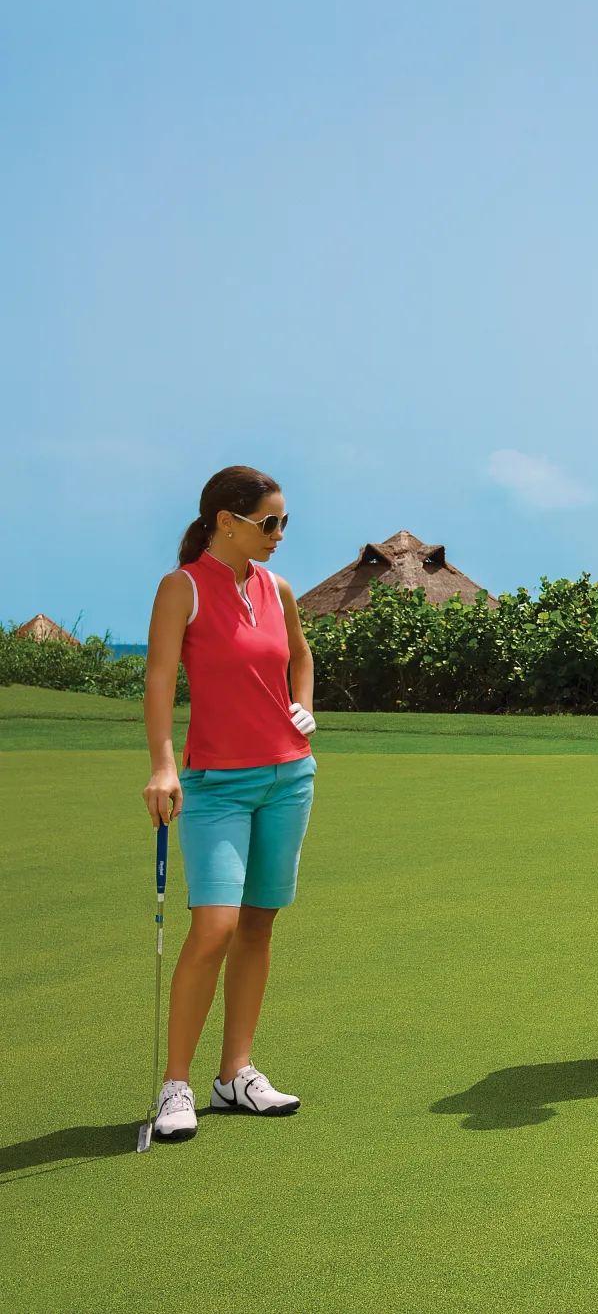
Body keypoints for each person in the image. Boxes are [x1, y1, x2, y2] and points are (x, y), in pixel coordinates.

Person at [141, 466, 317, 1142]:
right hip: (216, 783)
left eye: (283, 524)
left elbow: (299, 657)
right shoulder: (180, 588)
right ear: (224, 520)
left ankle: (234, 1073)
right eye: (266, 523)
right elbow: (158, 680)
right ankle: (176, 1084)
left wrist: (302, 708)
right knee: (213, 927)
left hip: (288, 777)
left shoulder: (277, 589)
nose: (277, 536)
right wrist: (163, 764)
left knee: (258, 925)